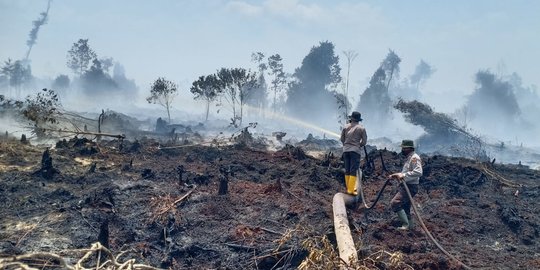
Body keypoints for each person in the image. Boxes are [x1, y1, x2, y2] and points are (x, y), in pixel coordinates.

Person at [389, 139, 423, 230]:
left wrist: (403, 175)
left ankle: (405, 225)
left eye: (404, 148)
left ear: (409, 148)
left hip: (410, 187)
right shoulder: (410, 158)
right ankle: (410, 226)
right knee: (405, 206)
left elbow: (418, 172)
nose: (402, 150)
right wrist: (396, 175)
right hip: (406, 186)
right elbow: (407, 172)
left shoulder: (414, 158)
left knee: (395, 203)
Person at [340, 111, 367, 195]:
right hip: (355, 151)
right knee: (353, 170)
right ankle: (351, 190)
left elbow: (342, 139)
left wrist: (346, 144)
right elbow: (364, 141)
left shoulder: (345, 127)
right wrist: (358, 145)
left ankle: (348, 188)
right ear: (359, 120)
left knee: (347, 169)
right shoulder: (361, 128)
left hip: (346, 150)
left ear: (351, 119)